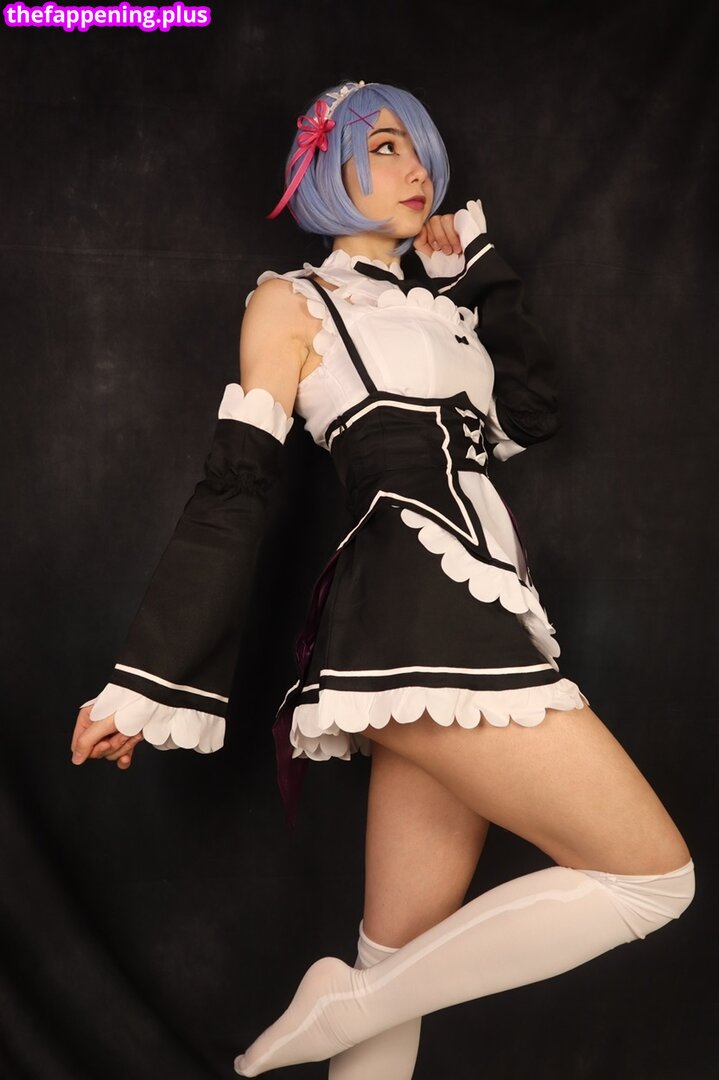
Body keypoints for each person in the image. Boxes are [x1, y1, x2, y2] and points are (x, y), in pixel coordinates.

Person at [70, 81, 695, 1079]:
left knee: (395, 947)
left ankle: (359, 998)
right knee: (653, 881)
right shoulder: (292, 301)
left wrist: (476, 277)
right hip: (416, 602)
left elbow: (527, 418)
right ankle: (347, 1005)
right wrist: (143, 681)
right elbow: (234, 487)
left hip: (482, 603)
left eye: (421, 153)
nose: (416, 172)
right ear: (327, 166)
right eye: (387, 147)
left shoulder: (441, 310)